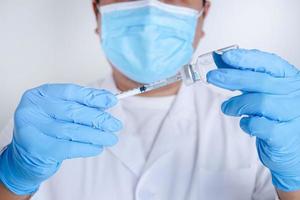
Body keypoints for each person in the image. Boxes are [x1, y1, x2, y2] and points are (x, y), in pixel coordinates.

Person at [0, 0, 300, 199]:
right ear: (98, 13)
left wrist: (296, 177)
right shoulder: (41, 125)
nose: (150, 11)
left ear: (203, 15)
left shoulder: (264, 124)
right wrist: (13, 178)